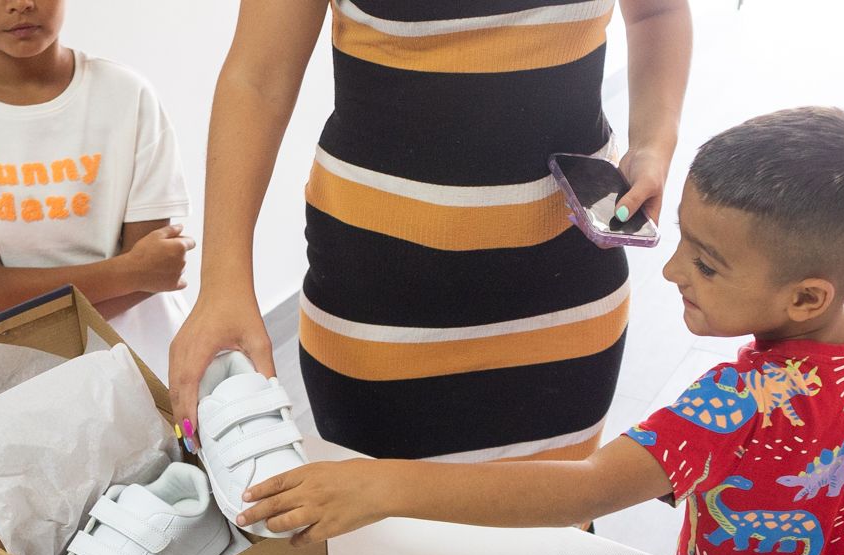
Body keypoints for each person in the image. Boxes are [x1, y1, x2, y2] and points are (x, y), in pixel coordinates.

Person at [233, 108, 844, 555]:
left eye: (708, 264)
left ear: (807, 296)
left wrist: (385, 483)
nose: (671, 271)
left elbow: (583, 489)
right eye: (686, 239)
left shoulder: (740, 399)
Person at [167, 0, 692, 462]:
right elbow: (259, 78)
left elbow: (657, 11)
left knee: (543, 541)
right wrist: (223, 285)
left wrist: (653, 140)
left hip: (566, 293)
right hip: (379, 305)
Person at [0, 0, 194, 380]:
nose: (22, 4)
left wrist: (4, 330)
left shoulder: (127, 95)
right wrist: (128, 271)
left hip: (147, 354)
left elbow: (156, 273)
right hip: (29, 374)